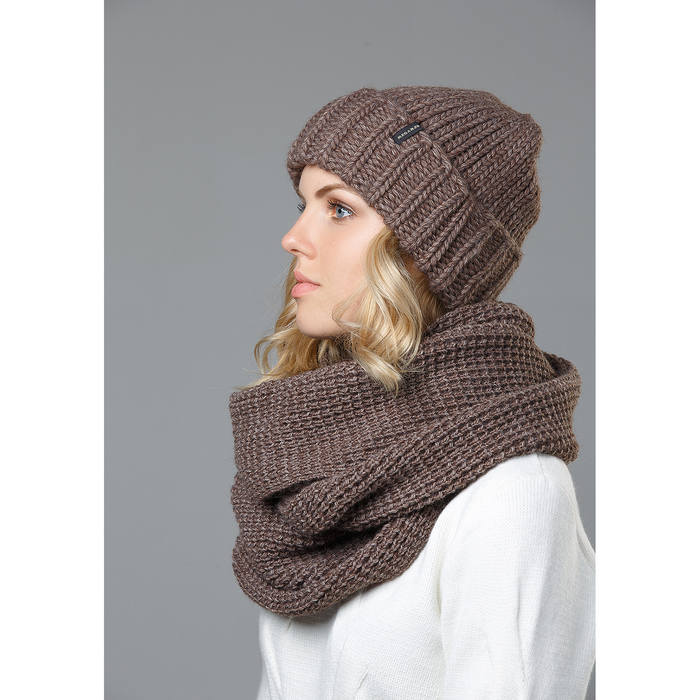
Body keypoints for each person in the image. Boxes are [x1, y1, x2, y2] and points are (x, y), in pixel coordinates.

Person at [229, 86, 595, 700]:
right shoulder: (310, 465)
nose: (294, 237)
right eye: (303, 204)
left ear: (424, 253)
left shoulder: (513, 494)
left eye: (339, 209)